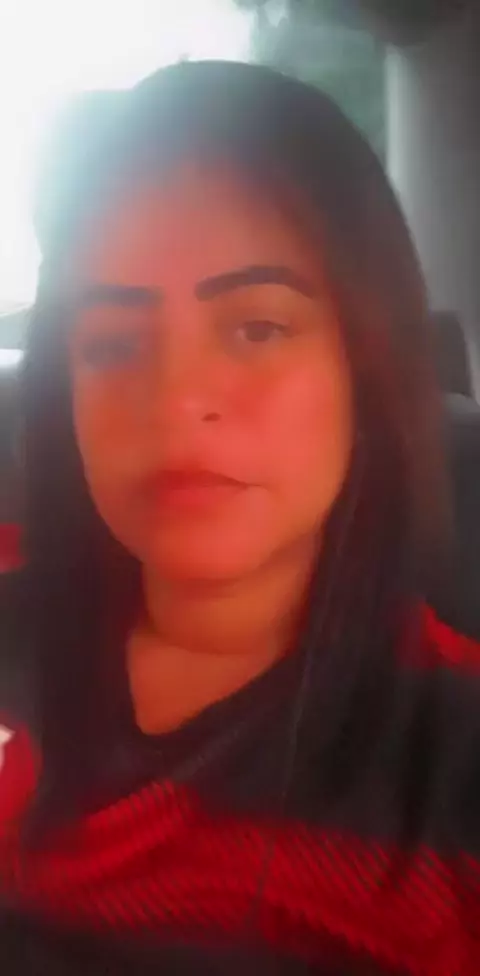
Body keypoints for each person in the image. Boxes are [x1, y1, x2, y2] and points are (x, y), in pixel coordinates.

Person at [0, 60, 478, 976]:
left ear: (365, 369)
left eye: (258, 327)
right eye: (114, 344)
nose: (177, 400)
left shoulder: (453, 768)